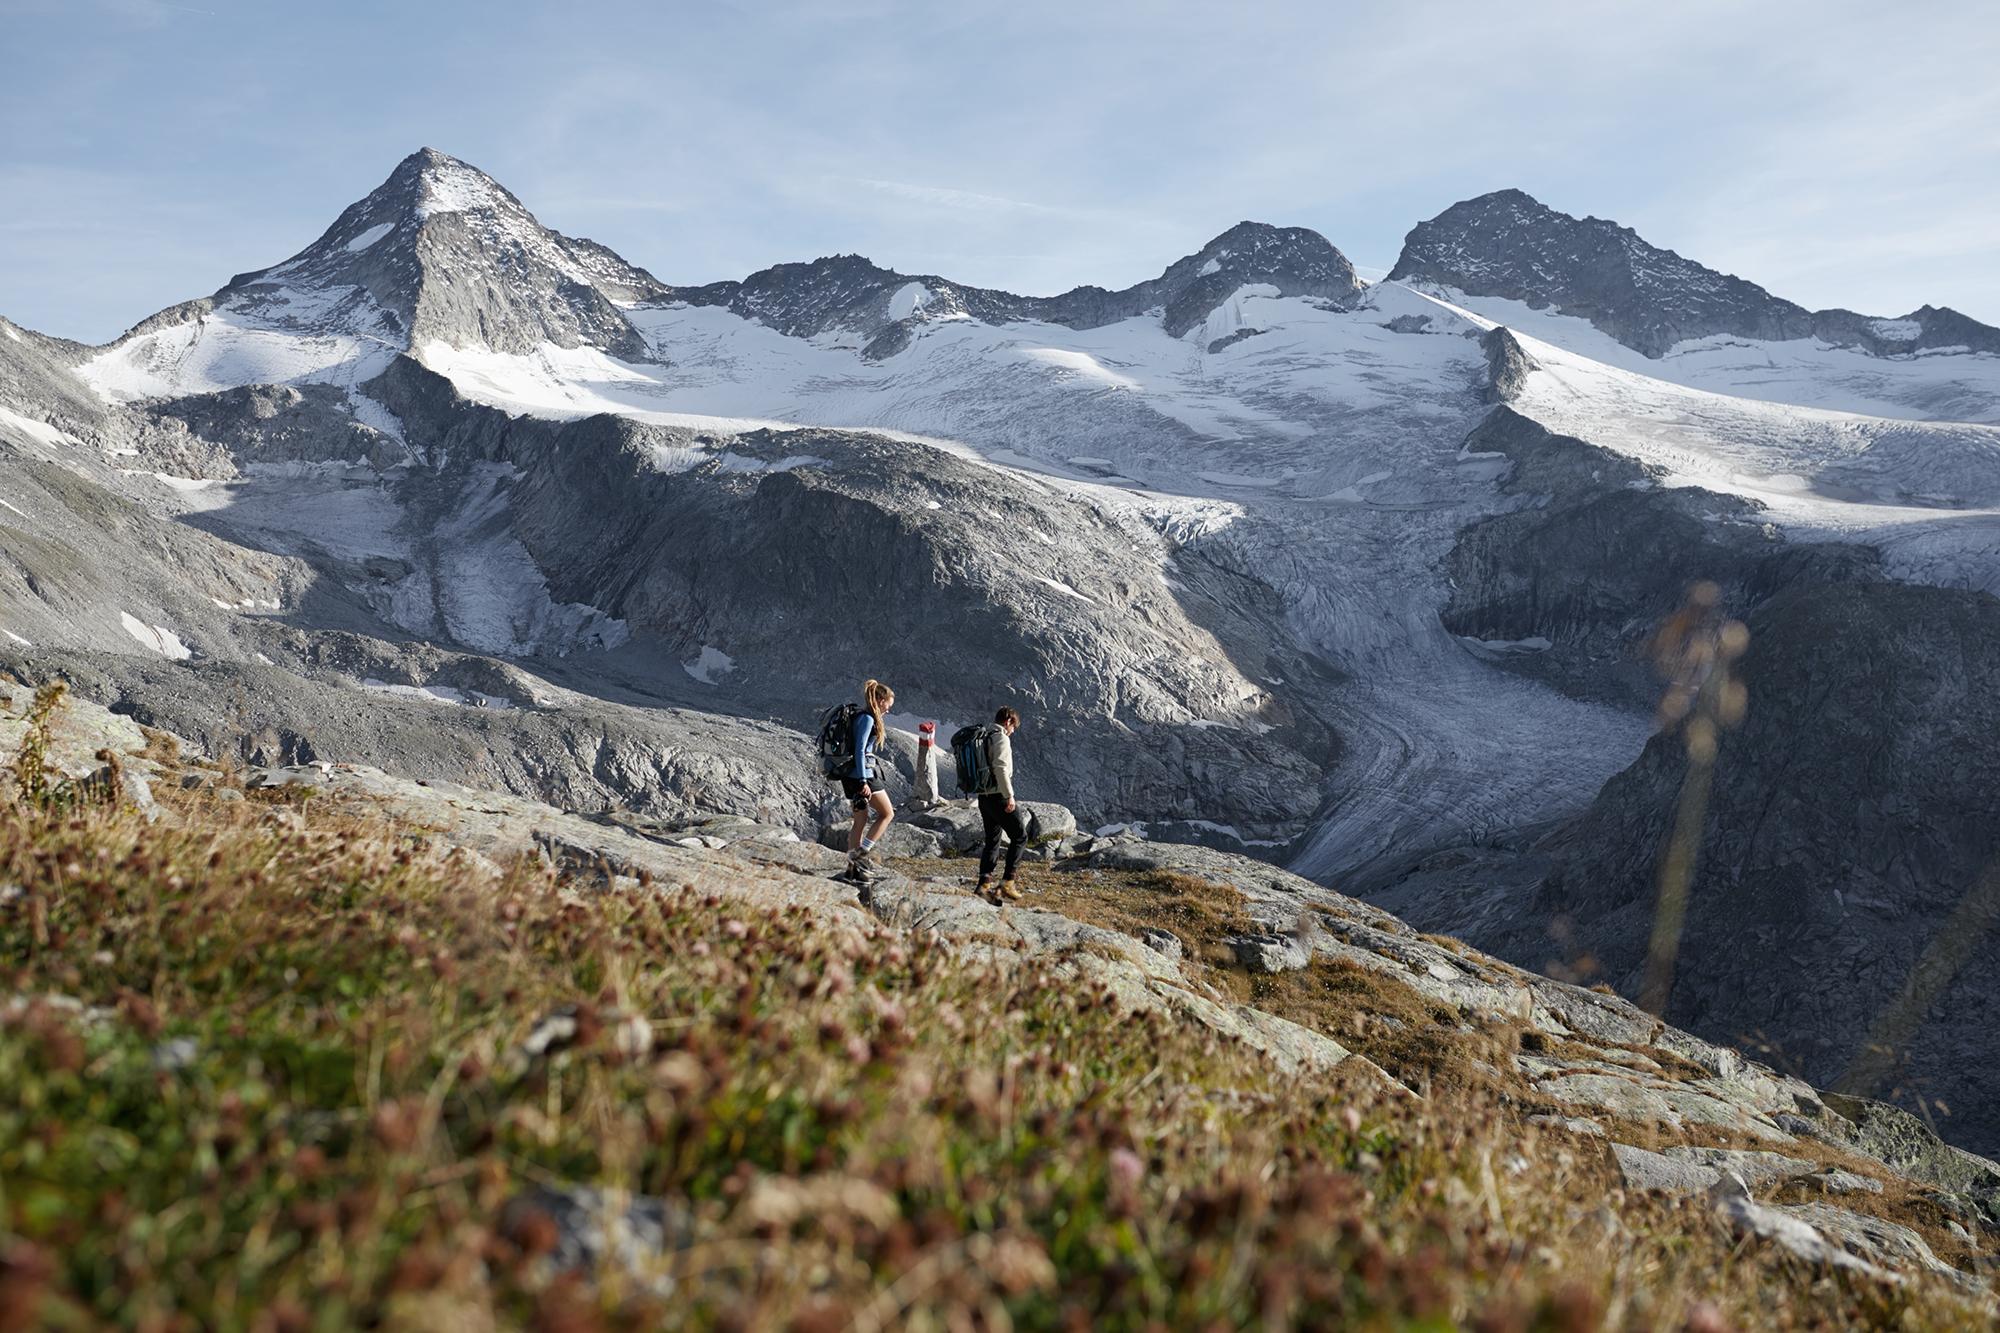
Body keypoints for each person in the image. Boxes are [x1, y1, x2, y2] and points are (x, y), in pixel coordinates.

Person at [841, 679, 897, 883]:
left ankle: (851, 868)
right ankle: (862, 855)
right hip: (862, 776)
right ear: (880, 701)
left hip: (851, 776)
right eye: (888, 706)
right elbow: (860, 749)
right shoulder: (868, 719)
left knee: (860, 821)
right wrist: (863, 780)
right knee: (887, 813)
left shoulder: (861, 716)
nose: (888, 711)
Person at [975, 706, 1027, 904]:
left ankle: (984, 885)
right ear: (1008, 722)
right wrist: (1010, 796)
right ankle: (1007, 882)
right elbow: (1001, 768)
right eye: (1014, 727)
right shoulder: (1001, 737)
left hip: (983, 797)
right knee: (1020, 836)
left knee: (992, 840)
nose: (1013, 731)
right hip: (999, 796)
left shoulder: (983, 735)